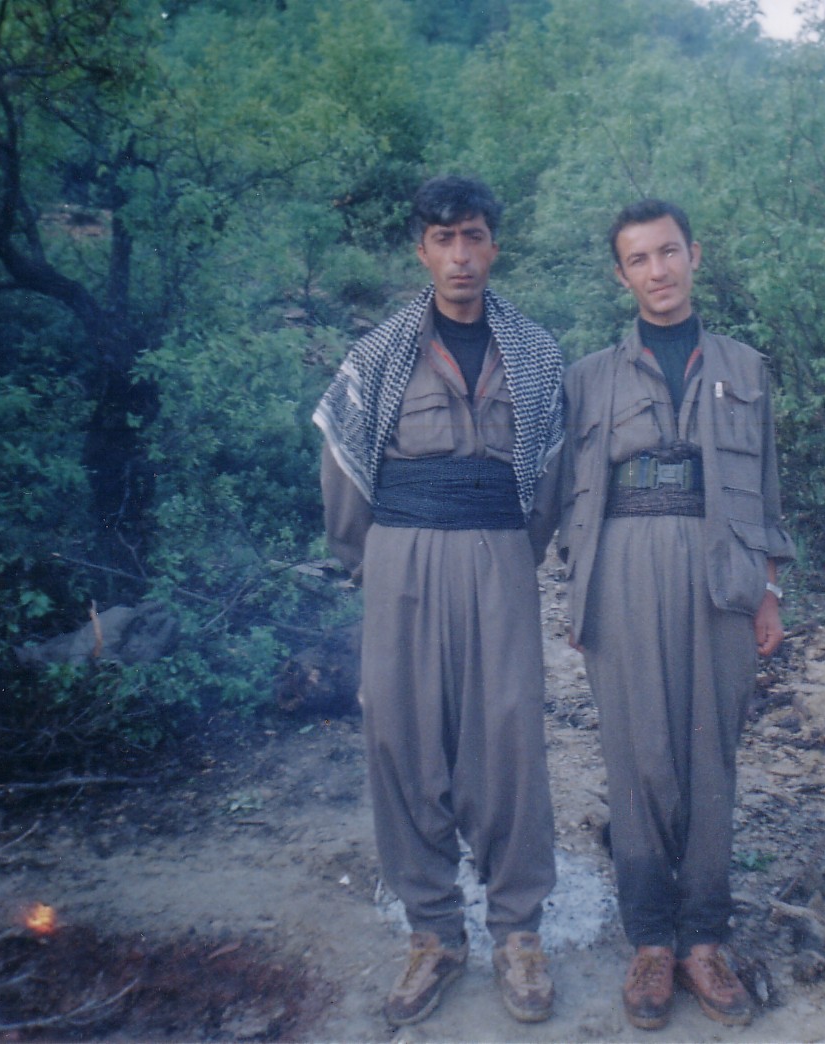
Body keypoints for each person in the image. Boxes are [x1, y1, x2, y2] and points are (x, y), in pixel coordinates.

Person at [312, 175, 564, 1028]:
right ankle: (433, 934)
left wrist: (510, 555)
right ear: (421, 249)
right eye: (444, 239)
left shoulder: (536, 352)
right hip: (401, 561)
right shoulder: (378, 352)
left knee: (509, 736)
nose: (461, 255)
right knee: (401, 734)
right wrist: (377, 565)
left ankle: (518, 932)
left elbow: (549, 483)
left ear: (495, 245)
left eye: (475, 236)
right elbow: (344, 476)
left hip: (499, 554)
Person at [557, 198, 794, 1030]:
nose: (657, 271)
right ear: (620, 275)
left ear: (694, 254)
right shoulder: (587, 377)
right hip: (623, 566)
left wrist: (770, 590)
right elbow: (567, 495)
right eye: (639, 259)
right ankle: (652, 941)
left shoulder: (746, 367)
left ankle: (703, 941)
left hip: (721, 567)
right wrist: (577, 594)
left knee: (710, 757)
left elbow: (765, 486)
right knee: (639, 758)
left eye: (668, 252)